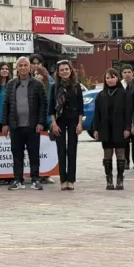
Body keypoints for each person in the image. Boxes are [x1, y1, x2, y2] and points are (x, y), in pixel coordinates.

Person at [2, 57, 49, 191]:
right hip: (15, 126)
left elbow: (43, 104)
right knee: (17, 154)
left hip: (33, 125)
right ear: (16, 68)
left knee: (34, 154)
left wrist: (41, 122)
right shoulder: (11, 84)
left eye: (25, 65)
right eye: (20, 65)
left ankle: (35, 180)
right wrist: (5, 123)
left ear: (30, 67)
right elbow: (6, 104)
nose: (23, 68)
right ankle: (18, 180)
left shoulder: (38, 84)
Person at [92, 67, 134, 190]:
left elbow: (128, 112)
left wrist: (127, 128)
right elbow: (97, 114)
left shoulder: (124, 94)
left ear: (117, 78)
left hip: (120, 128)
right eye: (108, 78)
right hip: (105, 128)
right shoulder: (101, 95)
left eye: (113, 77)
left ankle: (120, 179)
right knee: (107, 153)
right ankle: (109, 179)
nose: (110, 80)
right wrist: (96, 129)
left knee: (120, 152)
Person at [51, 60, 84, 190]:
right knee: (61, 150)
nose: (64, 72)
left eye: (66, 69)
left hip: (73, 120)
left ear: (71, 71)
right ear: (58, 73)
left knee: (72, 150)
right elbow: (51, 108)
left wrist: (80, 123)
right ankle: (63, 180)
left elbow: (81, 107)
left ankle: (71, 179)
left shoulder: (76, 86)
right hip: (59, 120)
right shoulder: (55, 87)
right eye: (62, 70)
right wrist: (54, 123)